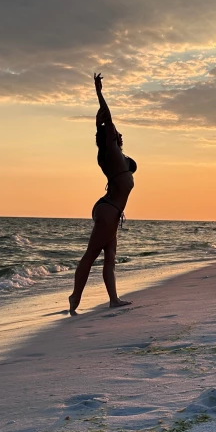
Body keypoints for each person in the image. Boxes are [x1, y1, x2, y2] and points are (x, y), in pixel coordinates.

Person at [68, 73, 137, 315]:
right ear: (109, 137)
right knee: (91, 254)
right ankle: (75, 297)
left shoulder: (115, 157)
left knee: (110, 256)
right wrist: (99, 93)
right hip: (108, 211)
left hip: (110, 211)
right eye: (116, 134)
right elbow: (108, 119)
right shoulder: (111, 152)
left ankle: (114, 300)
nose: (120, 135)